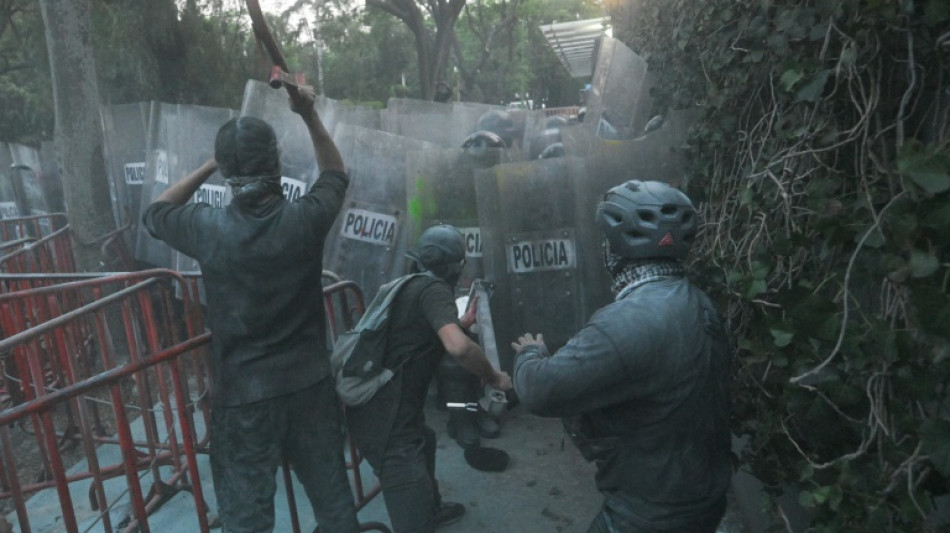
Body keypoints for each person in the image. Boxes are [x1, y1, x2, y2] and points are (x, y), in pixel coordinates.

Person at [142, 87, 360, 533]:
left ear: (227, 173)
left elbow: (157, 211)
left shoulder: (207, 228)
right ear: (277, 165)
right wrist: (309, 115)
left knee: (247, 520)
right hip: (309, 387)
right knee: (335, 507)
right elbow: (335, 173)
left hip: (243, 398)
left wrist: (210, 165)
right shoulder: (305, 220)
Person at [511, 180, 732, 533]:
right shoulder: (698, 302)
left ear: (614, 250)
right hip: (700, 495)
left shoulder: (628, 322)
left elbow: (540, 391)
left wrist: (530, 353)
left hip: (649, 512)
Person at [345, 224, 513, 533]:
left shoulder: (414, 283)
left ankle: (431, 509)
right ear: (455, 265)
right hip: (384, 420)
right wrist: (494, 377)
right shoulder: (435, 289)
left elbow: (422, 331)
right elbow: (459, 348)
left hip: (383, 409)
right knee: (411, 508)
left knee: (426, 440)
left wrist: (458, 322)